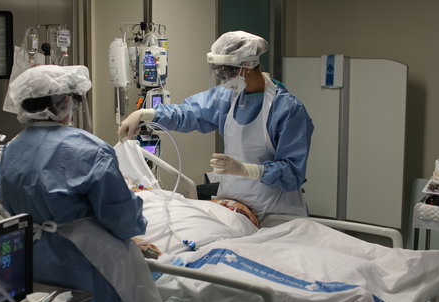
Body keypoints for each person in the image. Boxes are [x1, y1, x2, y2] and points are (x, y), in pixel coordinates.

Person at [0, 65, 161, 302]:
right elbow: (121, 218)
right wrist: (134, 233)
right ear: (64, 103)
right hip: (84, 262)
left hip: (31, 257)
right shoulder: (89, 150)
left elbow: (3, 198)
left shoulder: (9, 151)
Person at [118, 31, 314, 222]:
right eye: (218, 72)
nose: (222, 78)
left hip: (277, 212)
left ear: (247, 65)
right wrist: (146, 114)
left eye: (227, 71)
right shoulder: (226, 97)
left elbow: (292, 172)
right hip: (235, 208)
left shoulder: (287, 110)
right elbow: (189, 113)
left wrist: (246, 170)